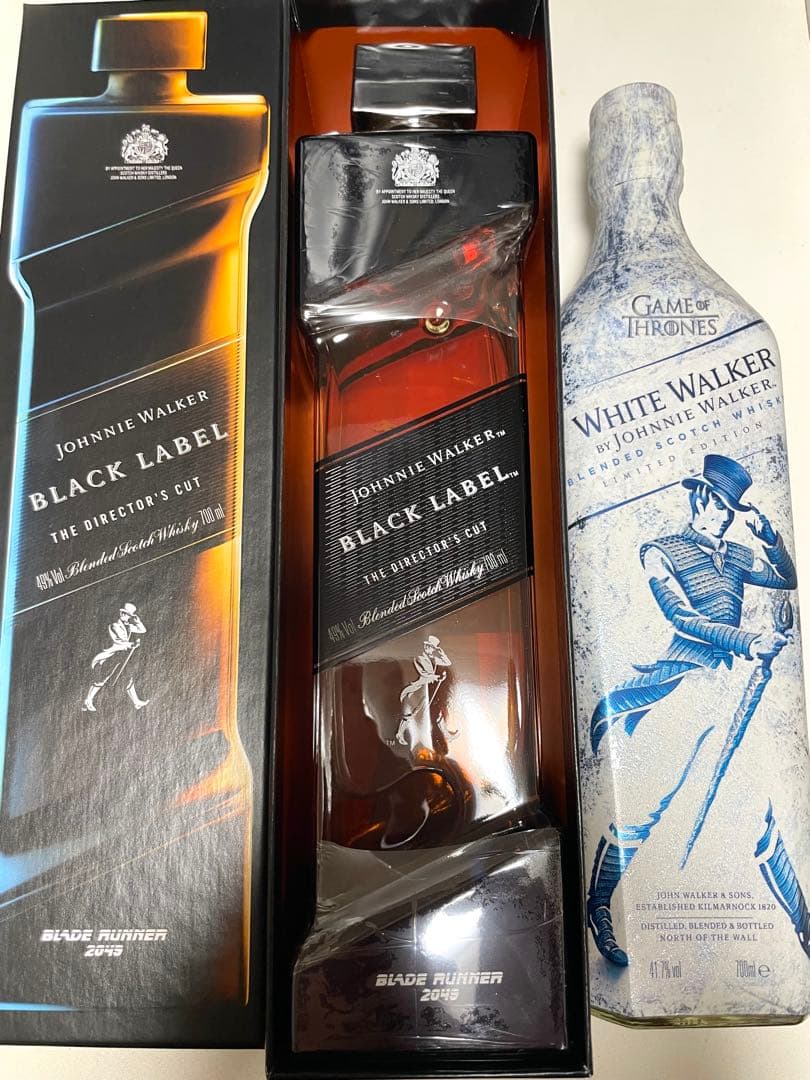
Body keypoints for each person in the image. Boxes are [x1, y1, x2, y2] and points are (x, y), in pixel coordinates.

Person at [587, 454, 796, 966]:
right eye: (718, 504)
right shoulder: (660, 551)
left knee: (758, 809)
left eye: (731, 509)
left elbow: (787, 580)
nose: (724, 516)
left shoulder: (739, 555)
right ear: (700, 497)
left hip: (733, 690)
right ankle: (599, 906)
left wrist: (771, 539)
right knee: (642, 806)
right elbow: (680, 617)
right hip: (683, 686)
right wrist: (748, 641)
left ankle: (803, 921)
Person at [82, 602, 149, 713]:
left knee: (128, 678)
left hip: (121, 657)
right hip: (110, 656)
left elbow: (143, 630)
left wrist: (138, 621)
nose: (124, 615)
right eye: (123, 613)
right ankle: (88, 700)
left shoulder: (128, 626)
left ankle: (136, 702)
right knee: (102, 679)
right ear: (120, 613)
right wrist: (131, 644)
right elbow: (118, 641)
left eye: (127, 614)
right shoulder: (114, 625)